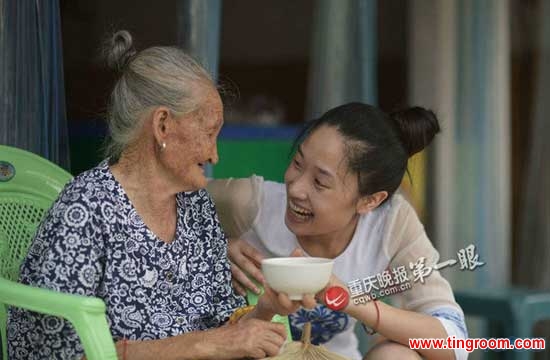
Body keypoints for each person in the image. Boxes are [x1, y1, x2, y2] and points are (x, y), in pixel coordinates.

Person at [7, 30, 315, 360]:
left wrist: (267, 306)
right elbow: (64, 354)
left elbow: (227, 332)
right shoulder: (85, 210)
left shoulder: (195, 206)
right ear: (163, 125)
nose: (214, 155)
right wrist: (205, 344)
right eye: (209, 133)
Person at [208, 103, 468, 360]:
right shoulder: (248, 204)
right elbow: (172, 202)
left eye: (320, 182)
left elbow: (455, 343)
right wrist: (213, 244)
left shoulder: (391, 224)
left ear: (370, 201)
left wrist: (347, 299)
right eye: (298, 163)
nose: (296, 188)